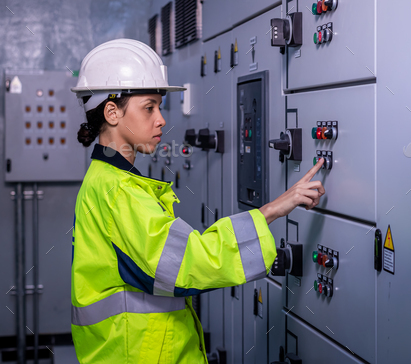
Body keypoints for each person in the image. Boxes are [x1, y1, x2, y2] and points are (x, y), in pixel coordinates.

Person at [69, 38, 325, 363]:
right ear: (112, 112)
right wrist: (272, 210)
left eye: (159, 107)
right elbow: (192, 263)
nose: (161, 119)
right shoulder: (119, 192)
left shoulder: (104, 180)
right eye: (149, 108)